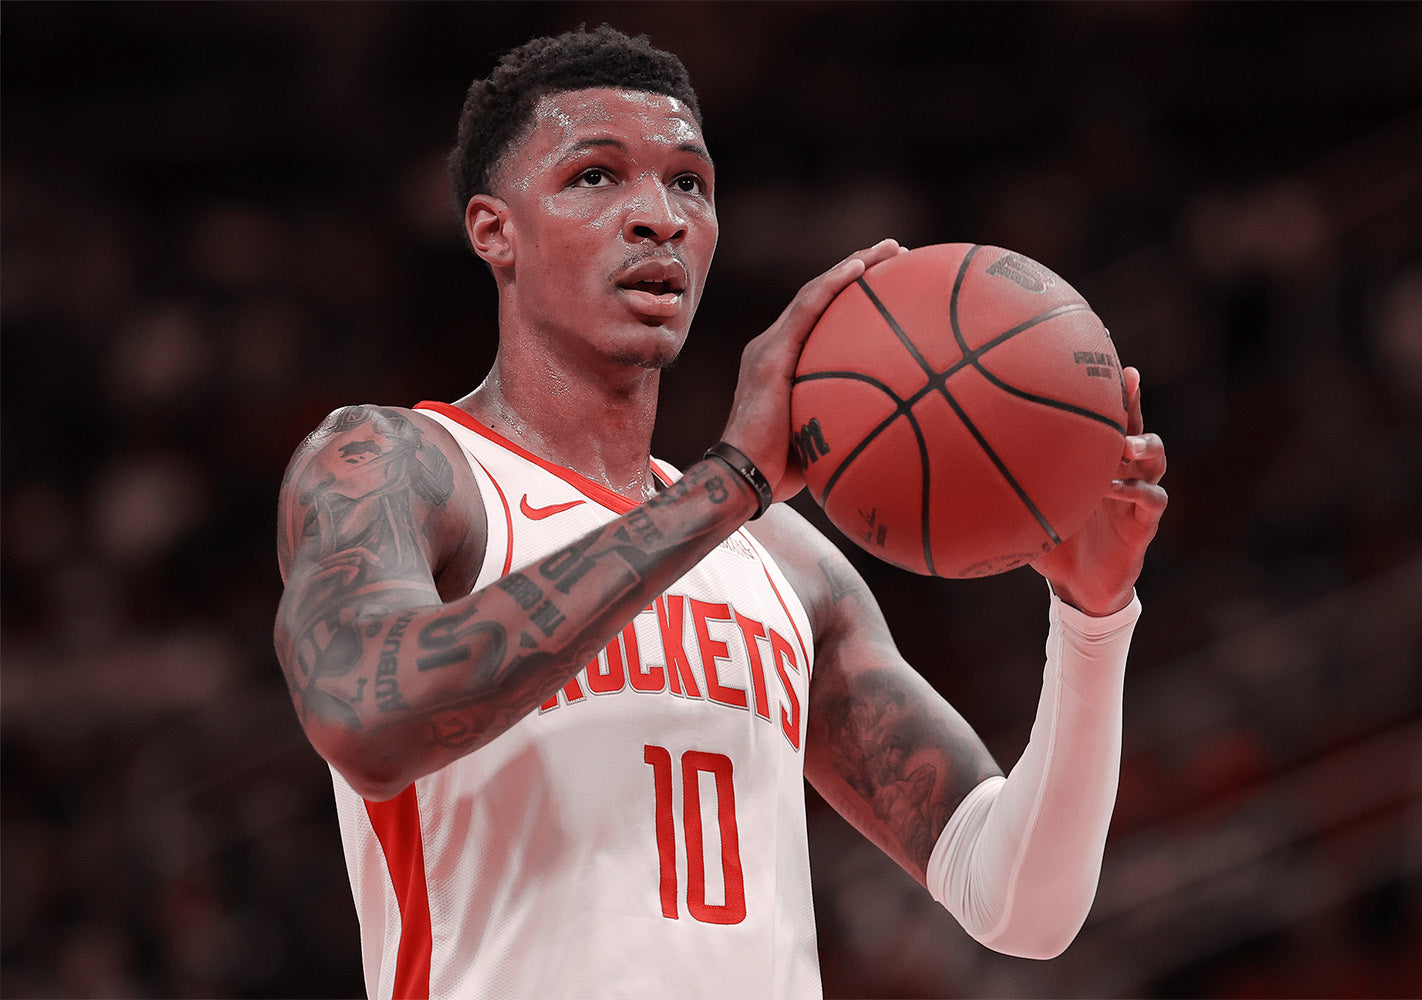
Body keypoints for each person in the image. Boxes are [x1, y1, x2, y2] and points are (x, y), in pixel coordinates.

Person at [274, 25, 1167, 1000]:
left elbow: (1019, 904)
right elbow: (366, 718)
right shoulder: (397, 463)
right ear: (495, 231)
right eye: (595, 177)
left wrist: (1092, 618)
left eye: (689, 184)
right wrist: (727, 484)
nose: (658, 218)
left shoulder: (788, 562)